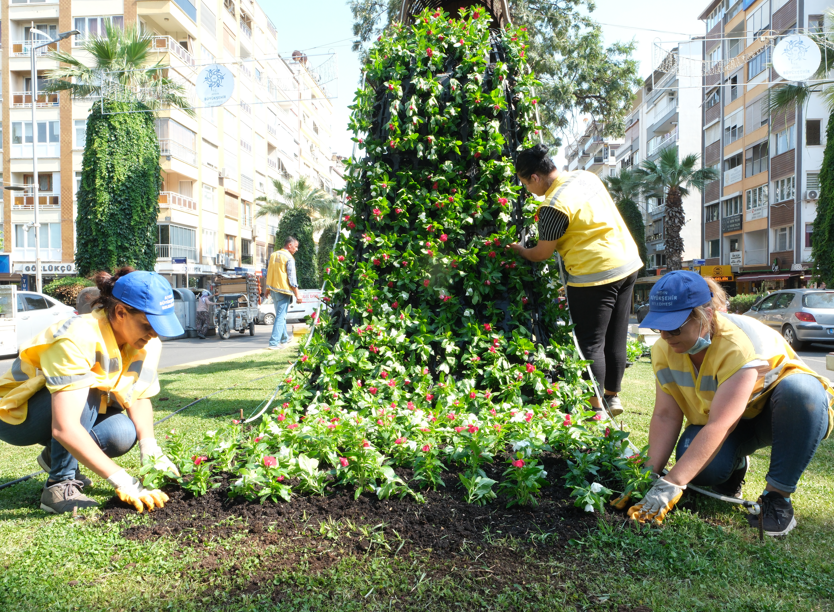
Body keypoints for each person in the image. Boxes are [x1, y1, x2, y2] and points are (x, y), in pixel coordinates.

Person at [625, 270, 833, 536]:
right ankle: (736, 464)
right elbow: (666, 415)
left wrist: (674, 483)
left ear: (706, 316)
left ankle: (777, 497)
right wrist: (646, 477)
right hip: (729, 416)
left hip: (779, 412)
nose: (666, 336)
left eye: (675, 327)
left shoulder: (739, 346)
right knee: (700, 470)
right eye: (660, 327)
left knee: (803, 393)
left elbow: (721, 424)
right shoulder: (664, 349)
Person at [0, 268, 183, 514]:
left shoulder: (147, 343)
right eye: (148, 324)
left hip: (64, 409)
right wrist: (124, 482)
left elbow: (139, 396)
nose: (154, 334)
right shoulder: (77, 336)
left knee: (121, 433)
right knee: (89, 388)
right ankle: (59, 485)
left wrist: (150, 449)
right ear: (120, 312)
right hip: (16, 416)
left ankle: (56, 454)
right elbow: (64, 427)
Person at [509, 144, 643, 415]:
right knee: (616, 336)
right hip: (627, 262)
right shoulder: (585, 176)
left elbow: (542, 253)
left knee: (591, 343)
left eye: (525, 183)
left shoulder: (552, 206)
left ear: (534, 177)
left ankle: (595, 409)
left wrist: (521, 250)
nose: (527, 190)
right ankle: (612, 397)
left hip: (595, 275)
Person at [266, 236, 302, 350]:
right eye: (296, 247)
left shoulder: (273, 255)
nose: (296, 250)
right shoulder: (289, 258)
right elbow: (292, 278)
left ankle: (284, 339)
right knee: (280, 317)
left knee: (280, 316)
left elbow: (270, 273)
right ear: (289, 245)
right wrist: (298, 294)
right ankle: (273, 343)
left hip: (273, 291)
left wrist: (267, 289)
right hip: (283, 290)